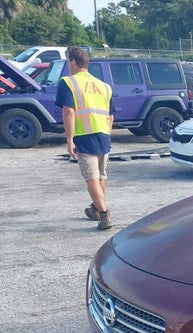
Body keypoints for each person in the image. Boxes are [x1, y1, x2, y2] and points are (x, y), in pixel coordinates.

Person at [55, 46, 115, 230]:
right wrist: (107, 133)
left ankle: (104, 215)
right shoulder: (104, 86)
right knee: (100, 176)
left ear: (73, 61)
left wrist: (69, 140)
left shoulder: (68, 82)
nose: (68, 65)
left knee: (91, 178)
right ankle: (95, 209)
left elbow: (68, 112)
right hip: (103, 135)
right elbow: (111, 116)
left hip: (84, 136)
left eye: (68, 61)